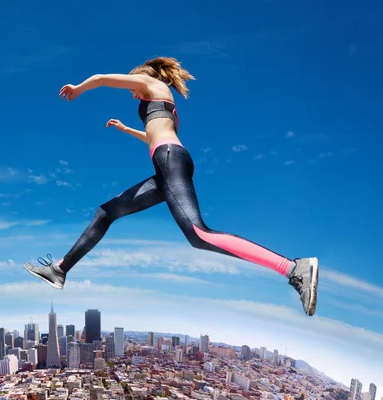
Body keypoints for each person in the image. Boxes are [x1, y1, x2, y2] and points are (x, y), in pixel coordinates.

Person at [24, 56, 319, 316]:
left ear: (142, 77)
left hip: (169, 160)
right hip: (167, 162)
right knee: (107, 212)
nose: (132, 93)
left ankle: (293, 268)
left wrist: (78, 88)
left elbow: (101, 79)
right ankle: (60, 270)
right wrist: (128, 130)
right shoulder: (165, 107)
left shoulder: (148, 82)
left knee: (199, 234)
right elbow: (157, 135)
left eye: (132, 89)